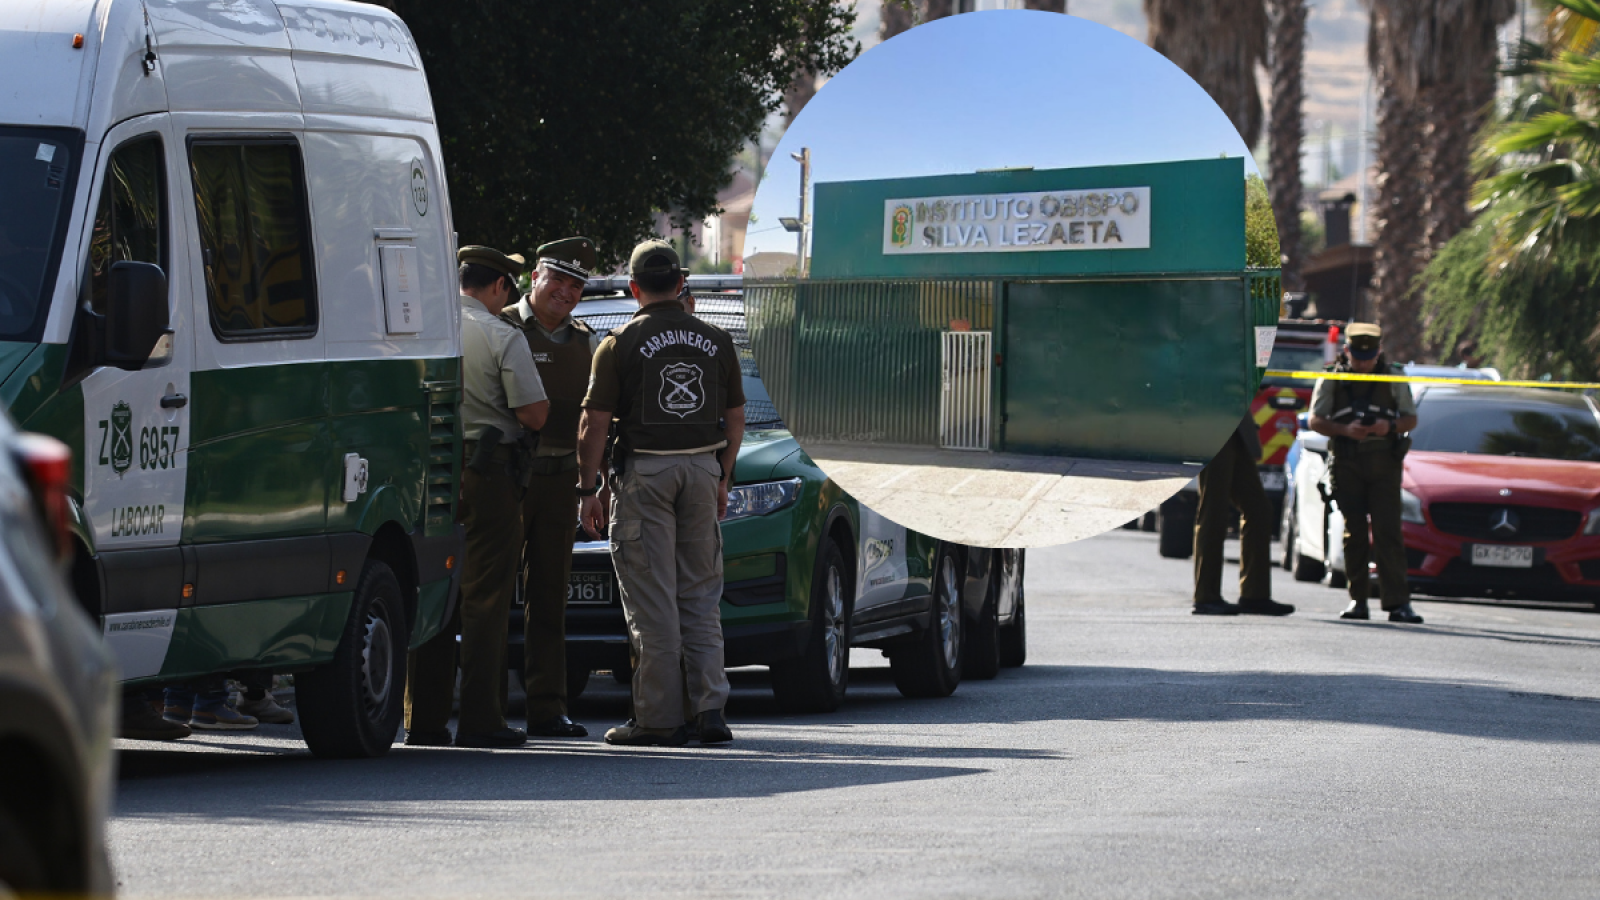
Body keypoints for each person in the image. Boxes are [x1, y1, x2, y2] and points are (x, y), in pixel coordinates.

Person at [575, 240, 745, 747]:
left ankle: (658, 719)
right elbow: (735, 419)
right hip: (700, 469)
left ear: (633, 288)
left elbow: (593, 424)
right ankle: (710, 710)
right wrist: (723, 476)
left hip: (645, 476)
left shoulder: (619, 343)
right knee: (699, 595)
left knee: (653, 602)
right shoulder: (716, 339)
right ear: (680, 284)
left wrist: (589, 489)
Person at [405, 245, 549, 748]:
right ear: (500, 287)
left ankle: (422, 718)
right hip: (487, 475)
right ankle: (481, 718)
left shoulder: (423, 330)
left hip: (424, 473)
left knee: (431, 590)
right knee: (484, 597)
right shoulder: (500, 334)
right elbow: (534, 414)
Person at [500, 237, 600, 739]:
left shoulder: (585, 341)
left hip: (561, 479)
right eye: (558, 278)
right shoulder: (502, 327)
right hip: (508, 477)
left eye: (577, 284)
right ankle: (488, 704)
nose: (566, 291)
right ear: (535, 275)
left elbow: (593, 417)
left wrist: (589, 488)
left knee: (550, 596)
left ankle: (547, 706)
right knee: (493, 592)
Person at [1308, 322, 1425, 624]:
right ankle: (1357, 599)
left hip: (1384, 463)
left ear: (1379, 352)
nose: (1363, 363)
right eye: (1358, 357)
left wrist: (1390, 427)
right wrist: (1344, 429)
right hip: (1347, 463)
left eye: (1369, 357)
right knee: (1354, 532)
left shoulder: (1393, 376)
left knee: (1388, 532)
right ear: (1346, 352)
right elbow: (1316, 420)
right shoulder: (1332, 377)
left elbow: (1411, 418)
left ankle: (1398, 603)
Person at [1192, 417, 1294, 616]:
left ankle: (1254, 595)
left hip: (1236, 427)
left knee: (1259, 510)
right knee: (1214, 511)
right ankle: (1206, 597)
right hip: (1211, 425)